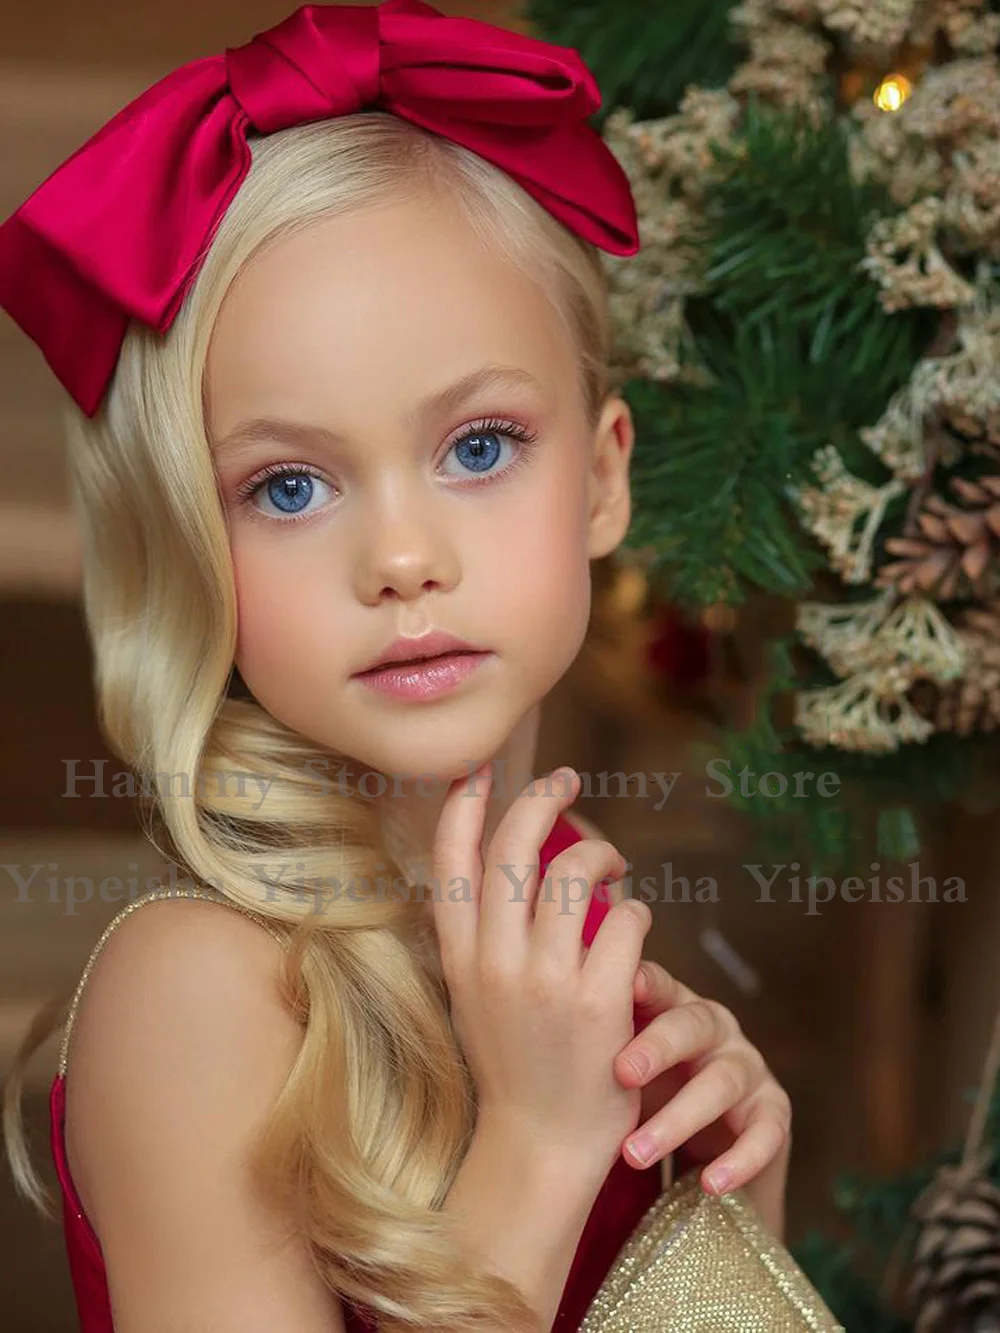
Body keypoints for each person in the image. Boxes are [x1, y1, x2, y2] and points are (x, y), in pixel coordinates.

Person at [0, 4, 792, 1330]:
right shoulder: (200, 993)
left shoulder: (558, 927)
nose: (404, 558)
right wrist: (541, 1144)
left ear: (603, 478)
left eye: (479, 446)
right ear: (192, 540)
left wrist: (720, 1241)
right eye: (291, 483)